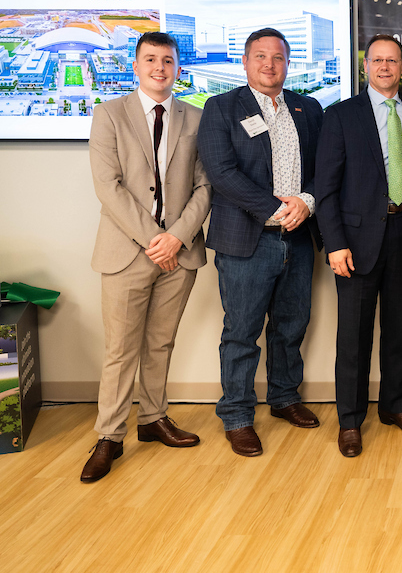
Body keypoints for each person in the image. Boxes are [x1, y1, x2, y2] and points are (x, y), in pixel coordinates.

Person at [82, 31, 212, 483]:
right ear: (136, 66)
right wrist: (154, 238)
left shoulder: (195, 118)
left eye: (168, 61)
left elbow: (205, 186)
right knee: (120, 350)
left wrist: (176, 237)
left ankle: (154, 418)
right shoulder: (108, 115)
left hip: (179, 252)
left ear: (178, 68)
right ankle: (110, 436)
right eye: (151, 60)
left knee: (160, 342)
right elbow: (107, 186)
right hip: (127, 252)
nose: (160, 68)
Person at [197, 27, 324, 457]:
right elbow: (221, 172)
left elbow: (325, 167)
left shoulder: (308, 108)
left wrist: (305, 202)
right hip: (248, 240)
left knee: (291, 326)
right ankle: (236, 415)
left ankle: (285, 397)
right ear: (246, 62)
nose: (269, 65)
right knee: (242, 332)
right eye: (260, 57)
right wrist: (275, 209)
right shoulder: (221, 107)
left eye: (278, 57)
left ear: (288, 63)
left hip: (299, 237)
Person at [315, 35, 402, 458]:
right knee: (354, 334)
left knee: (399, 327)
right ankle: (350, 420)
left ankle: (395, 407)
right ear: (366, 66)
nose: (385, 67)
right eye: (377, 60)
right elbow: (325, 188)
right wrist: (334, 243)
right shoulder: (342, 115)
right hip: (356, 239)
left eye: (392, 60)